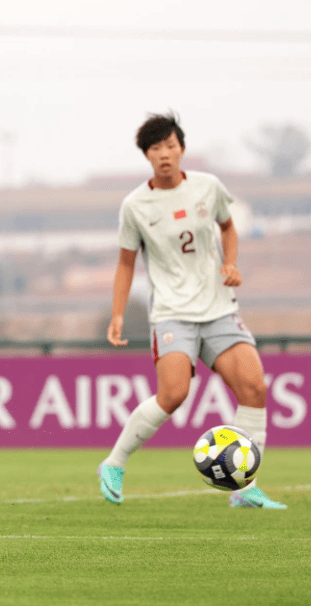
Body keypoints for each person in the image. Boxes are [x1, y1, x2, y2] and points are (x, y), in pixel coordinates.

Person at [98, 112, 286, 509]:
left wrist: (231, 264)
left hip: (218, 308)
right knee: (174, 393)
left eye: (170, 145)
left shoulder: (208, 187)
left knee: (254, 388)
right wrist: (117, 314)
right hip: (171, 312)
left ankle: (244, 488)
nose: (164, 154)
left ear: (181, 148)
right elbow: (126, 262)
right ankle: (114, 463)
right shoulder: (135, 205)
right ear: (146, 155)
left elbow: (228, 227)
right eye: (155, 148)